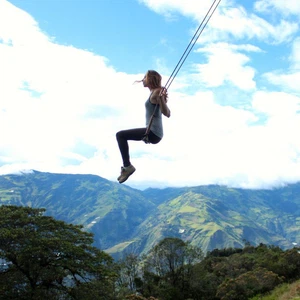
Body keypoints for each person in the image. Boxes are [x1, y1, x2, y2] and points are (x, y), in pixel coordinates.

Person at [116, 70, 171, 183]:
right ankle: (127, 167)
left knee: (120, 135)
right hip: (154, 133)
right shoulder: (155, 92)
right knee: (121, 135)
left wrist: (161, 100)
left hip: (153, 132)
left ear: (151, 79)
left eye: (145, 77)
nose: (143, 79)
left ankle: (128, 167)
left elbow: (167, 113)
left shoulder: (157, 92)